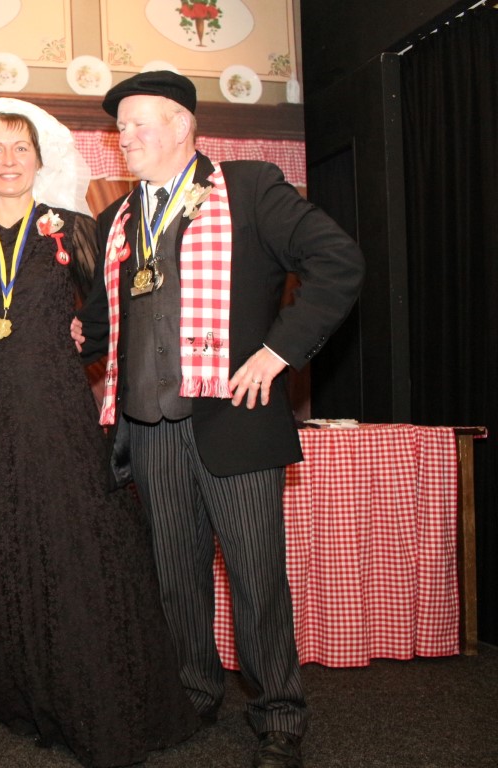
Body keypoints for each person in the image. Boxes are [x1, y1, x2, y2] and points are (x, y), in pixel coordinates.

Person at [72, 71, 365, 768]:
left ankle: (279, 714)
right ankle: (194, 693)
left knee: (256, 577)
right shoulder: (116, 221)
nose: (125, 137)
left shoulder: (250, 187)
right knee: (175, 576)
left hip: (235, 420)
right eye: (120, 127)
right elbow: (105, 323)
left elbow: (339, 261)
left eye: (138, 124)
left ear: (181, 125)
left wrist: (278, 352)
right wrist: (60, 334)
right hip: (149, 426)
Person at [0, 98, 198, 767]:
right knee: (0, 537)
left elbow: (113, 307)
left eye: (21, 148)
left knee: (75, 538)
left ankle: (88, 682)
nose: (9, 160)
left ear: (39, 161)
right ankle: (15, 682)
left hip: (60, 406)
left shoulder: (75, 228)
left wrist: (99, 347)